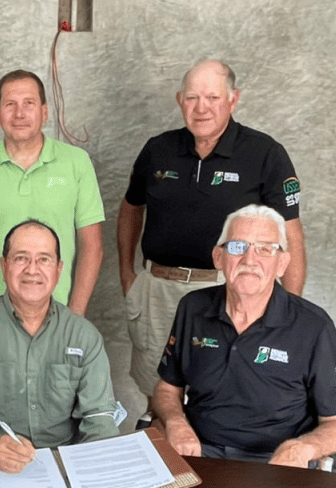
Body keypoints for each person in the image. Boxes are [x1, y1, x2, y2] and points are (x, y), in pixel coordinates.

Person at [116, 59, 307, 424]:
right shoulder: (158, 150)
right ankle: (164, 477)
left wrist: (287, 313)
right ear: (179, 100)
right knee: (159, 400)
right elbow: (130, 208)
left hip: (228, 293)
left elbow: (291, 236)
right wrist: (129, 276)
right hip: (158, 289)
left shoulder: (266, 155)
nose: (201, 107)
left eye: (212, 97)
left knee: (223, 401)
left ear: (233, 100)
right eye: (192, 98)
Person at [151, 205, 336, 468]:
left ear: (282, 263)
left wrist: (303, 448)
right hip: (199, 453)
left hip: (274, 463)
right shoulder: (192, 308)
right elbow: (167, 387)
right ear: (218, 257)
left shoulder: (313, 326)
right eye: (238, 247)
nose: (249, 260)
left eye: (265, 249)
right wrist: (175, 422)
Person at [0, 220, 119, 474]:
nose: (32, 270)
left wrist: (93, 468)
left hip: (66, 463)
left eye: (44, 259)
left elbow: (99, 417)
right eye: (21, 258)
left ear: (59, 270)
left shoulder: (84, 336)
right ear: (3, 265)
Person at [0, 70, 104, 317]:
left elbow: (92, 247)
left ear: (44, 112)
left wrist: (74, 317)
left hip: (58, 314)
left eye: (29, 103)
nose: (19, 114)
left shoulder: (77, 163)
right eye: (10, 104)